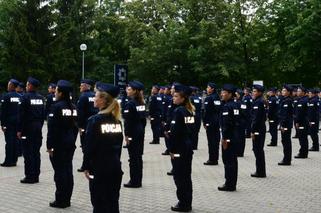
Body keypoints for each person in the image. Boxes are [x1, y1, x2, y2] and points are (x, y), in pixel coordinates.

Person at [83, 82, 123, 213]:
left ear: (103, 100)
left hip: (99, 168)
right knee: (112, 202)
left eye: (96, 96)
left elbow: (89, 147)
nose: (94, 98)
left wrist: (86, 167)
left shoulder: (94, 120)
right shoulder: (117, 121)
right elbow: (119, 147)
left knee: (99, 203)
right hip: (115, 167)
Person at [46, 80, 78, 208]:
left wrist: (49, 146)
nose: (55, 92)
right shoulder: (73, 107)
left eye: (56, 90)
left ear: (60, 93)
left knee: (60, 173)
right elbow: (75, 127)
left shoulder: (56, 107)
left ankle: (61, 200)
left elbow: (52, 129)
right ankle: (67, 198)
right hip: (69, 143)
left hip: (58, 145)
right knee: (68, 171)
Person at [169, 84, 195, 212]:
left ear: (183, 98)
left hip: (179, 148)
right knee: (186, 176)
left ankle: (183, 203)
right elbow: (191, 130)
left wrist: (172, 150)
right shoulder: (189, 110)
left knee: (180, 177)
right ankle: (187, 202)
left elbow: (174, 133)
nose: (173, 98)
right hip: (187, 146)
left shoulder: (178, 111)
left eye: (176, 96)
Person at [17, 77, 45, 184]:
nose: (26, 86)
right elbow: (43, 115)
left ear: (31, 86)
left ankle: (29, 176)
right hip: (37, 127)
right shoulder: (41, 98)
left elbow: (21, 116)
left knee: (28, 153)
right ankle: (36, 175)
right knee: (36, 152)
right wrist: (40, 125)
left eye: (27, 84)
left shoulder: (25, 98)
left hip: (27, 128)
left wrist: (19, 130)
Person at [123, 80, 146, 188]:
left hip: (133, 132)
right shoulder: (141, 102)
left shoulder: (130, 103)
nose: (127, 91)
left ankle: (134, 181)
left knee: (133, 158)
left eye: (129, 89)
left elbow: (128, 122)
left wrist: (127, 135)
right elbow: (143, 120)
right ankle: (138, 180)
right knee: (138, 157)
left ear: (134, 91)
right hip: (140, 131)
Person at [218, 84, 238, 191]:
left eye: (224, 92)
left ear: (230, 94)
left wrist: (225, 138)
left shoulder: (227, 106)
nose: (222, 94)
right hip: (234, 136)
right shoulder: (235, 105)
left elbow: (227, 124)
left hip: (229, 137)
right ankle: (232, 183)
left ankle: (229, 184)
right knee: (233, 161)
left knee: (228, 161)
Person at [77, 79, 98, 172]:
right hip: (96, 123)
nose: (80, 87)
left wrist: (80, 126)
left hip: (86, 124)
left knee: (85, 145)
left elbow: (80, 113)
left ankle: (86, 165)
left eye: (81, 85)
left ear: (86, 86)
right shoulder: (95, 95)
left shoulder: (83, 97)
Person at [0, 79, 21, 167]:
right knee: (16, 141)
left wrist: (3, 124)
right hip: (18, 121)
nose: (8, 86)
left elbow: (3, 111)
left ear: (12, 86)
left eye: (9, 84)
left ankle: (8, 161)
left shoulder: (6, 96)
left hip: (9, 122)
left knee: (9, 142)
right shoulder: (20, 96)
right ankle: (14, 160)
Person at [250, 85, 267, 178]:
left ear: (260, 92)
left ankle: (260, 172)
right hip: (261, 128)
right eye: (253, 91)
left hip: (258, 129)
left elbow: (256, 119)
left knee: (258, 150)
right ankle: (260, 170)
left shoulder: (258, 102)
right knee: (258, 150)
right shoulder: (260, 101)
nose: (253, 92)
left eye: (255, 91)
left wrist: (252, 131)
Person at [203, 83, 221, 165]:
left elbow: (206, 112)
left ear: (212, 89)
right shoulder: (217, 97)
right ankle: (215, 158)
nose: (207, 88)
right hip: (216, 122)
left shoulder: (209, 98)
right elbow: (218, 109)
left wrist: (205, 122)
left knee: (211, 141)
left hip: (210, 122)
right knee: (215, 141)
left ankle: (212, 159)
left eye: (208, 87)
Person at [278, 85, 293, 165]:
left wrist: (283, 125)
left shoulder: (288, 101)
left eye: (284, 90)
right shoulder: (285, 100)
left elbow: (285, 115)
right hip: (285, 124)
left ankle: (287, 160)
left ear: (288, 92)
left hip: (286, 125)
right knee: (285, 141)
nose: (282, 92)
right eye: (282, 90)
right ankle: (286, 158)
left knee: (286, 142)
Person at [294, 86, 309, 159]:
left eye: (299, 91)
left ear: (303, 92)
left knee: (302, 138)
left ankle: (303, 153)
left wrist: (297, 122)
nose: (297, 92)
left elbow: (300, 113)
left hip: (302, 122)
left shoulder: (303, 101)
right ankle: (304, 152)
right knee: (303, 138)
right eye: (297, 91)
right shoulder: (304, 100)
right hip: (304, 121)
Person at [234, 89, 246, 157]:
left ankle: (238, 152)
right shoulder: (243, 103)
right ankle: (241, 152)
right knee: (242, 137)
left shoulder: (237, 103)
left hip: (238, 122)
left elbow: (236, 113)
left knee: (238, 137)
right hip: (242, 122)